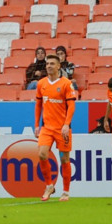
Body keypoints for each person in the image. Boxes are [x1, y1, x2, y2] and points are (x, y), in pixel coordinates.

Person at [34, 54, 77, 201]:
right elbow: (38, 105)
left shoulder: (66, 83)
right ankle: (49, 186)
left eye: (52, 64)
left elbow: (71, 106)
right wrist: (36, 125)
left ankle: (65, 191)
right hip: (47, 127)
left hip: (62, 128)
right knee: (41, 154)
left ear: (59, 66)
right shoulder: (41, 84)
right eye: (47, 64)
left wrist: (66, 124)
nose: (49, 66)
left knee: (65, 159)